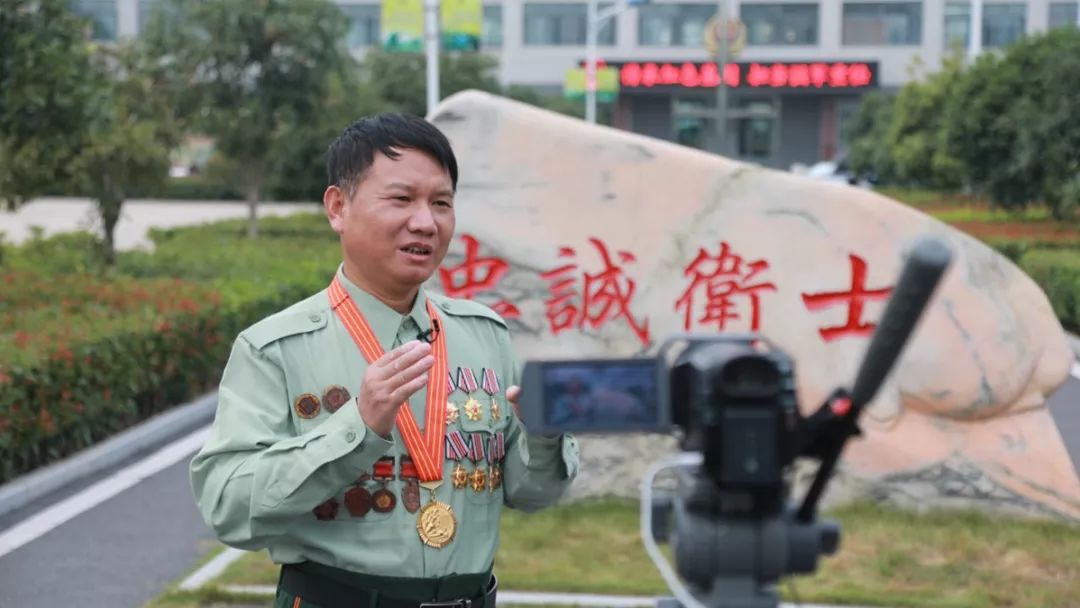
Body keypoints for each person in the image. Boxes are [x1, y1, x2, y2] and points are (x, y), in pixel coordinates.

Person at [190, 113, 580, 608]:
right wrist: (357, 425)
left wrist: (543, 436)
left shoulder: (485, 337)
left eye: (441, 203)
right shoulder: (276, 348)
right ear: (338, 207)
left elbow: (532, 494)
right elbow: (227, 507)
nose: (425, 222)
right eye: (401, 199)